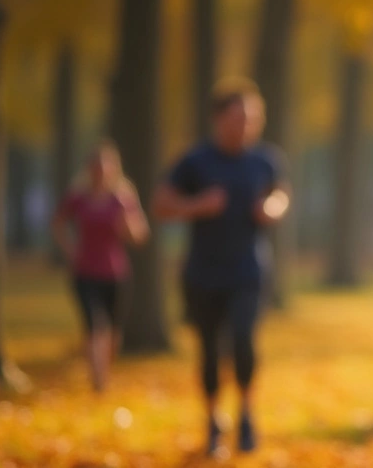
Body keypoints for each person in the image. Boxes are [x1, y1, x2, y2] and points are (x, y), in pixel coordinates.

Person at [152, 77, 290, 456]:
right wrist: (197, 206)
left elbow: (281, 194)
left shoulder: (265, 159)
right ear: (218, 119)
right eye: (236, 117)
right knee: (210, 353)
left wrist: (271, 208)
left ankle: (246, 413)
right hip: (203, 272)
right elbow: (161, 204)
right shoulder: (196, 161)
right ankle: (213, 421)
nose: (243, 124)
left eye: (250, 117)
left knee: (244, 343)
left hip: (248, 269)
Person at [50, 140, 148, 392]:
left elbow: (140, 236)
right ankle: (98, 382)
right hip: (84, 271)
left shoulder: (123, 198)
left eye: (106, 167)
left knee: (113, 333)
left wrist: (127, 226)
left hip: (116, 273)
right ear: (89, 169)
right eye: (97, 166)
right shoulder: (78, 197)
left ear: (115, 169)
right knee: (94, 326)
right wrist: (69, 249)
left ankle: (104, 371)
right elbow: (58, 222)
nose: (101, 172)